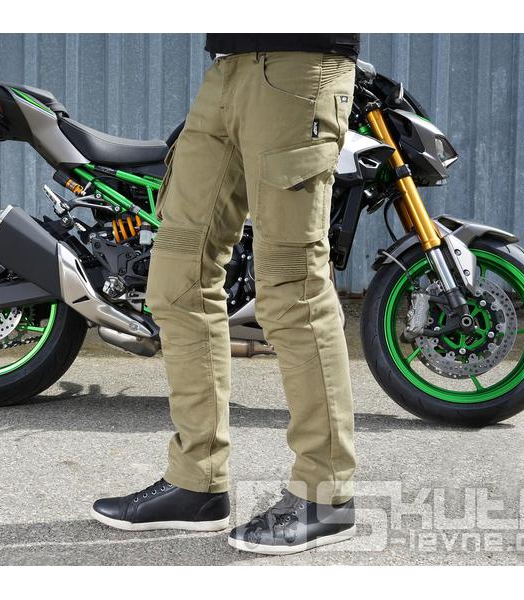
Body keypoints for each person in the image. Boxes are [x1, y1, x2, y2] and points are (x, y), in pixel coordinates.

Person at [91, 33, 360, 555]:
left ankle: (325, 495)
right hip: (226, 69)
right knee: (177, 279)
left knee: (292, 287)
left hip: (299, 65)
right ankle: (197, 483)